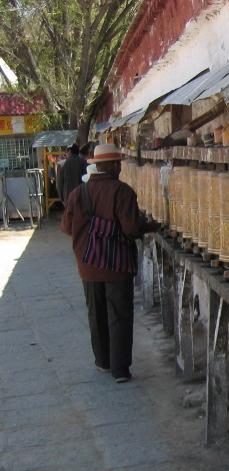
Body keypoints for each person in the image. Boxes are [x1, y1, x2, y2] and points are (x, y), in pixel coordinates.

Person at [60, 144, 158, 382]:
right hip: (117, 264)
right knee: (119, 314)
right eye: (119, 164)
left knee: (96, 313)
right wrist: (149, 226)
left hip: (88, 264)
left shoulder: (78, 193)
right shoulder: (122, 192)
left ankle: (103, 361)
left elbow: (66, 227)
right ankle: (120, 370)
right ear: (114, 166)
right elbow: (132, 229)